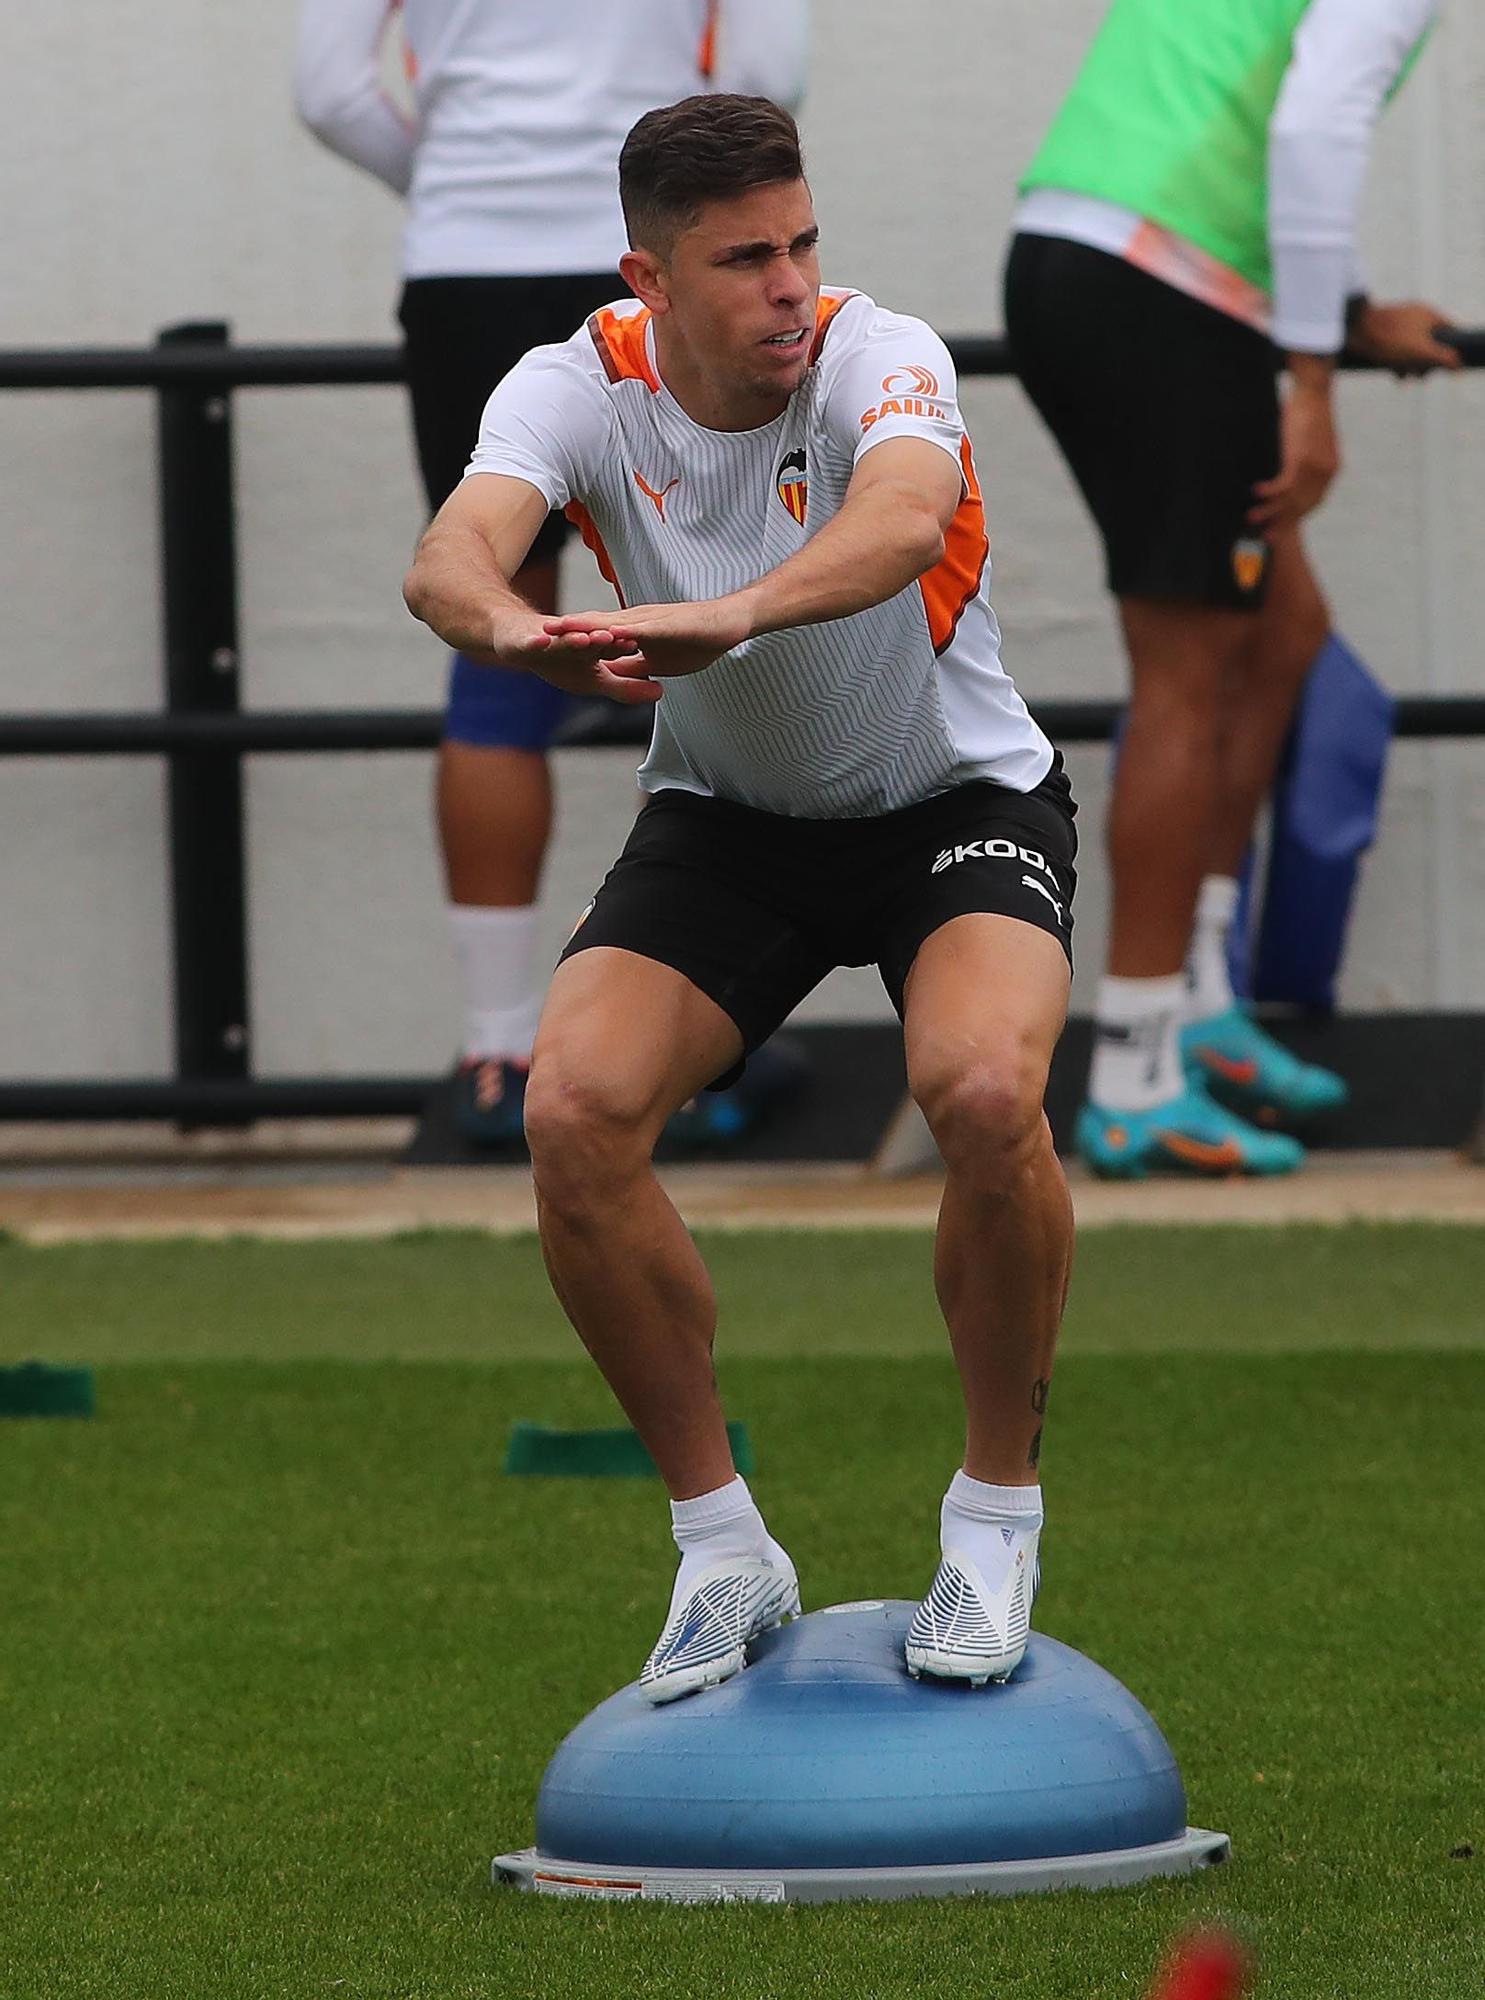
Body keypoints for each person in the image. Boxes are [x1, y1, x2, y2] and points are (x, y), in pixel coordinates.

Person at [405, 96, 1076, 1701]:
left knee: (982, 1090)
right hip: (728, 823)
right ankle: (722, 1546)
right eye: (742, 260)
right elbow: (447, 558)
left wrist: (732, 618)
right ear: (650, 276)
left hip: (952, 805)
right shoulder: (575, 384)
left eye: (800, 245)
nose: (787, 287)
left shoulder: (875, 352)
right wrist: (516, 633)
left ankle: (992, 1521)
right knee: (570, 1112)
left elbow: (904, 516)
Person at [295, 0, 809, 1143]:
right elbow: (769, 70)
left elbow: (329, 88)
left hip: (464, 261)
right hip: (656, 256)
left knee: (501, 633)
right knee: (699, 610)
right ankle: (690, 1028)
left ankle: (496, 1044)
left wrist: (461, 187)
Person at [1004, 0, 1461, 1179]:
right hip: (1162, 287)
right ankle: (1137, 1065)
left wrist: (1349, 314)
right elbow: (1312, 131)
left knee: (1282, 627)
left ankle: (1198, 990)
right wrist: (1314, 375)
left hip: (1096, 257)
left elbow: (1259, 120)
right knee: (1186, 674)